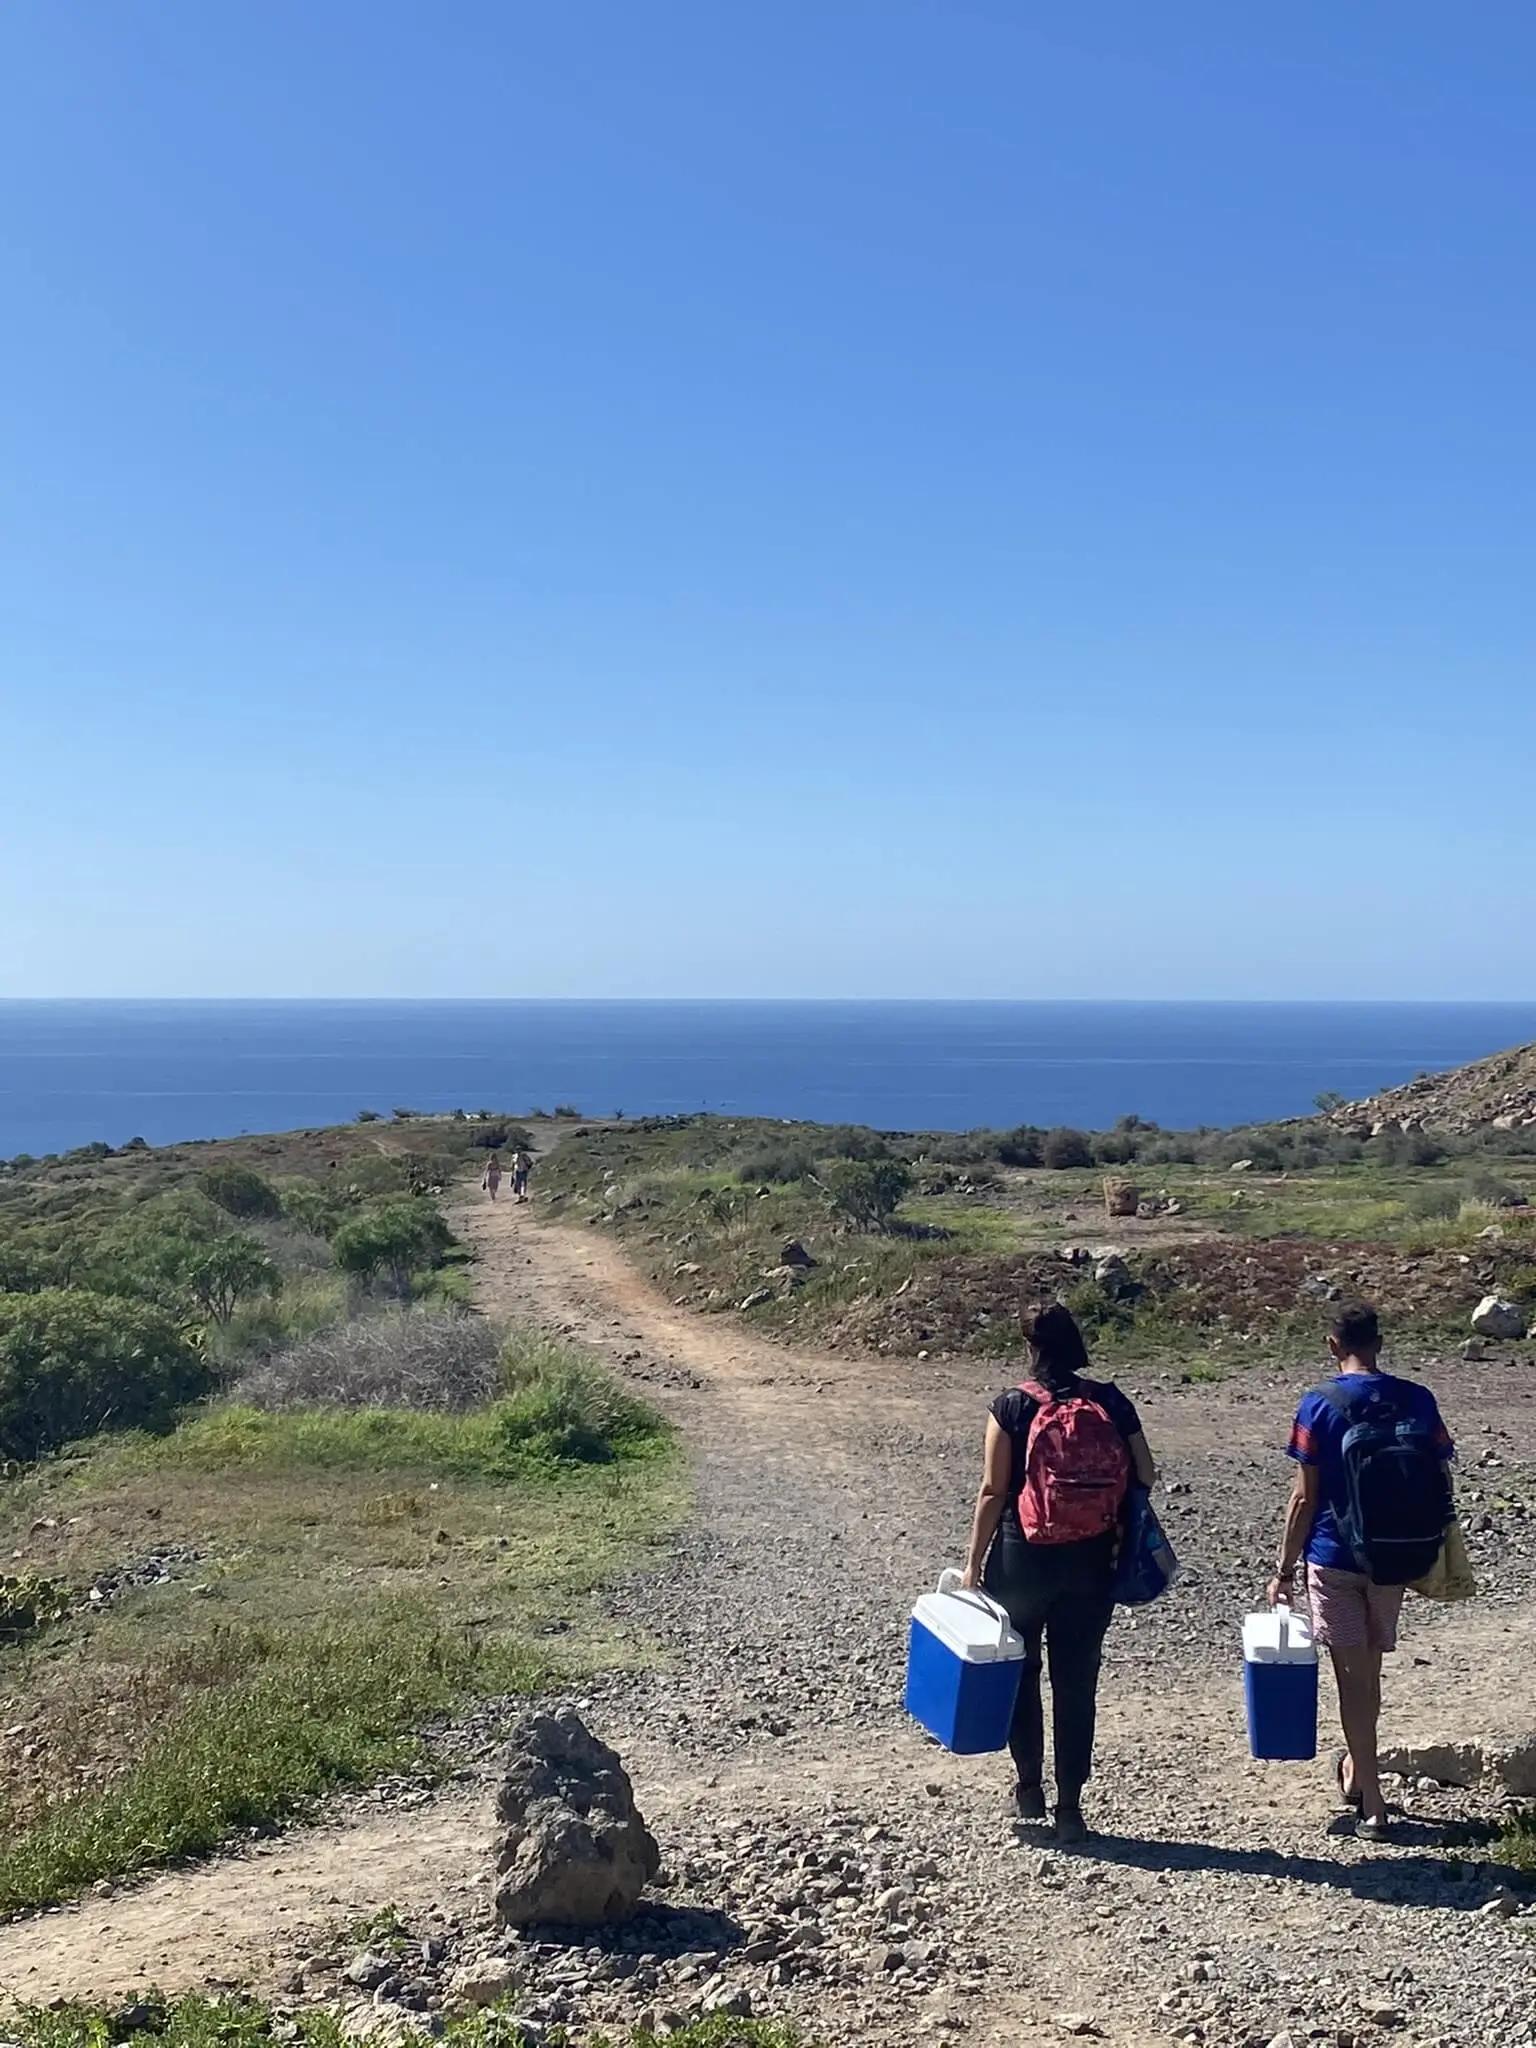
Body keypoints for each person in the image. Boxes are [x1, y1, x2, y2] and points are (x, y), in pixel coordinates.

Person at [961, 1301, 1157, 1843]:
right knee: (1077, 1681)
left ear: (1030, 1347)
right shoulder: (1110, 1401)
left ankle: (1028, 1787)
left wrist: (974, 1564)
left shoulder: (1012, 1406)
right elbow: (1146, 1471)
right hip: (1092, 1559)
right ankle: (1071, 1807)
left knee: (1020, 1671)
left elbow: (993, 1490)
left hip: (1022, 1557)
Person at [1266, 1304, 1454, 1842]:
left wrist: (1283, 1569)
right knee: (1369, 1674)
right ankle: (1356, 1767)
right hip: (1395, 1558)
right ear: (1380, 1342)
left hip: (1335, 1558)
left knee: (1351, 1679)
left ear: (1332, 1344)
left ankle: (1371, 1800)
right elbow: (1439, 1471)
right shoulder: (1418, 1398)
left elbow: (1305, 1497)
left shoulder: (1318, 1404)